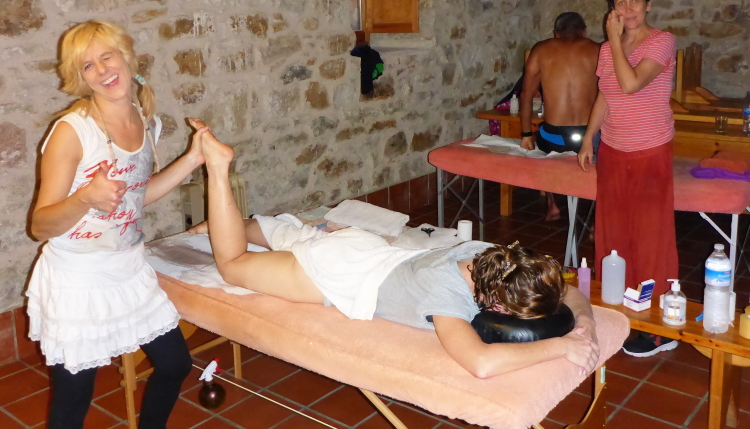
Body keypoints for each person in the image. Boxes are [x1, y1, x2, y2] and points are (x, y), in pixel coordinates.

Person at [187, 124, 601, 379]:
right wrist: (561, 346)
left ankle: (227, 224)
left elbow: (566, 291)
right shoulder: (446, 296)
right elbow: (480, 364)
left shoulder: (490, 254)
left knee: (292, 236)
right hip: (337, 273)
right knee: (233, 265)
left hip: (364, 247)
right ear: (498, 305)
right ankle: (218, 170)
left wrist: (584, 324)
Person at [28, 20, 211, 428]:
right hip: (78, 278)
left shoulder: (144, 120)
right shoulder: (72, 132)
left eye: (106, 57)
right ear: (80, 77)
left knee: (175, 363)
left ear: (127, 57)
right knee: (75, 397)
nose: (101, 70)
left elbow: (136, 196)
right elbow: (40, 225)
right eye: (87, 65)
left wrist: (192, 159)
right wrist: (84, 198)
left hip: (128, 269)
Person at [577, 0, 679, 357]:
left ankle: (658, 327)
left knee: (650, 237)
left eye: (635, 0)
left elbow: (631, 83)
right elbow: (606, 95)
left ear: (648, 4)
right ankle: (619, 310)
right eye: (620, 2)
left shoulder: (662, 41)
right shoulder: (608, 49)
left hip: (650, 151)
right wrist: (588, 138)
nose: (628, 8)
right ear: (612, 9)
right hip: (614, 151)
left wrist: (615, 42)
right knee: (613, 233)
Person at [520, 12, 600, 221]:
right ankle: (594, 218)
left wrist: (526, 135)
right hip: (589, 138)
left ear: (555, 33)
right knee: (603, 155)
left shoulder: (541, 50)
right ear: (584, 32)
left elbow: (526, 94)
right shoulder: (598, 50)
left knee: (541, 137)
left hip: (554, 138)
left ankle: (552, 204)